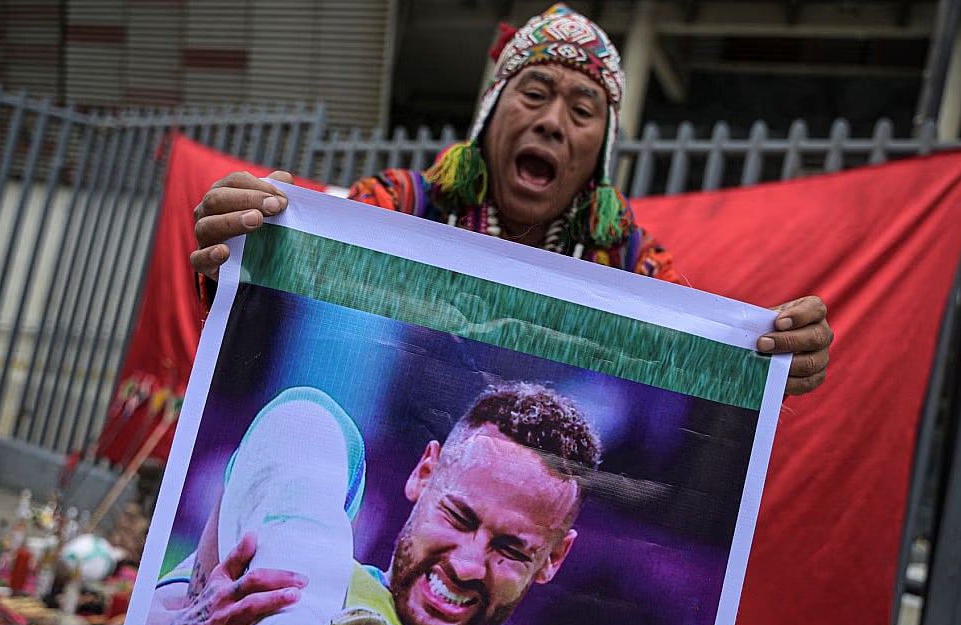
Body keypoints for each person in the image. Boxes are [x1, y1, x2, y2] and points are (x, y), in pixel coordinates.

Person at [189, 4, 833, 397]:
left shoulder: (634, 265)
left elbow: (699, 378)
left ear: (600, 152)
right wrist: (245, 250)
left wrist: (771, 367)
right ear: (490, 114)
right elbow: (273, 306)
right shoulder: (397, 206)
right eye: (534, 93)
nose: (554, 122)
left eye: (583, 110)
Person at [131, 382, 614, 625]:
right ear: (423, 475)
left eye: (509, 549)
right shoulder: (300, 579)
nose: (468, 564)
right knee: (310, 419)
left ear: (553, 559)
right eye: (458, 518)